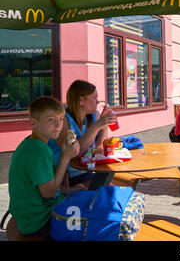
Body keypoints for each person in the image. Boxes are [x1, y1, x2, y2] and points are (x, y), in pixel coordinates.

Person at [8, 96, 80, 240]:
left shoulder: (30, 143)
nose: (58, 125)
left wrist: (68, 190)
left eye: (61, 119)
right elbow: (48, 193)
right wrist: (65, 157)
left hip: (29, 215)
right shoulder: (38, 151)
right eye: (51, 120)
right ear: (33, 123)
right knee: (92, 215)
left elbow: (43, 186)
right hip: (37, 221)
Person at [48, 80, 117, 188]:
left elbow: (99, 147)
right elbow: (74, 153)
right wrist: (97, 126)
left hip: (86, 171)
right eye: (94, 98)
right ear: (81, 100)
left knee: (112, 190)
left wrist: (104, 124)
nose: (98, 102)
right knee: (108, 193)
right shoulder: (63, 121)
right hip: (64, 178)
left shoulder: (94, 116)